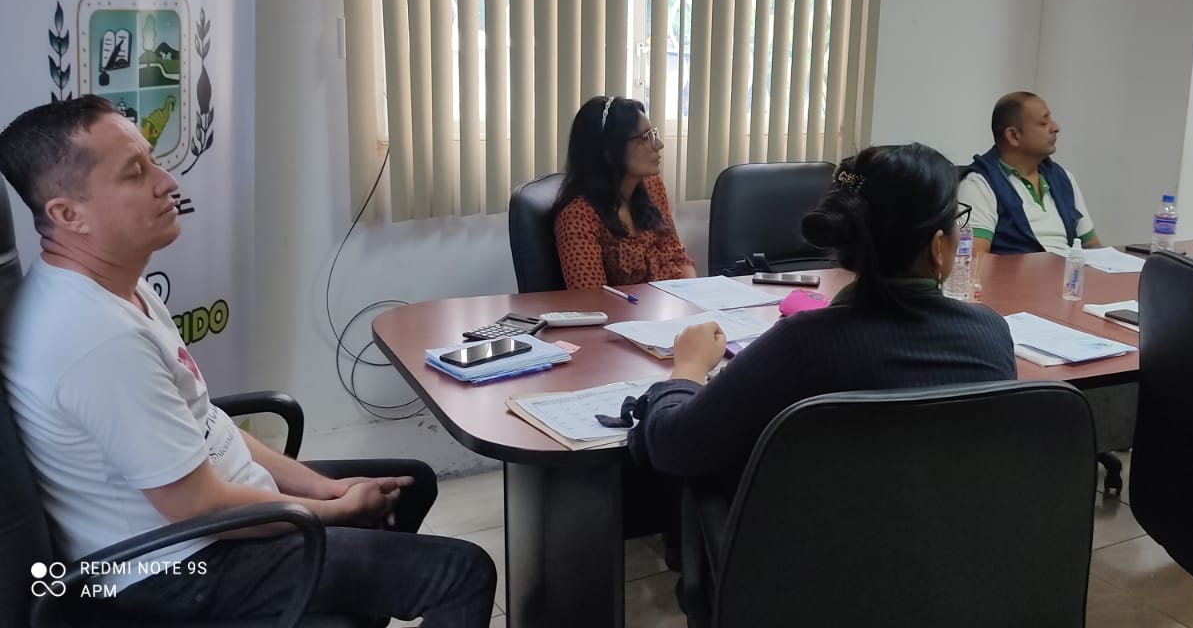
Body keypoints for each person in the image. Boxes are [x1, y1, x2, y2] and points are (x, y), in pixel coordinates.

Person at [0, 97, 495, 625]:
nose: (167, 182)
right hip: (175, 570)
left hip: (204, 525)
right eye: (135, 172)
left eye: (153, 160)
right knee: (461, 571)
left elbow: (206, 421)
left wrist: (319, 488)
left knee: (408, 485)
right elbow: (196, 507)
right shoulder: (96, 340)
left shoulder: (117, 285)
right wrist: (331, 511)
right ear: (68, 214)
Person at [627, 143, 1017, 495]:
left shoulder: (805, 343)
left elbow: (673, 446)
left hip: (817, 549)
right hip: (954, 546)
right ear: (938, 247)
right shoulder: (990, 334)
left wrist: (690, 367)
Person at [959, 92, 1102, 291]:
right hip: (1016, 291)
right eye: (1043, 123)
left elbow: (1092, 246)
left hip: (1067, 288)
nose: (1055, 127)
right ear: (1013, 136)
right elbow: (975, 261)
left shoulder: (1063, 178)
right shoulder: (979, 183)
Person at [554, 96, 696, 289]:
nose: (658, 144)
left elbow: (678, 256)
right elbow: (589, 297)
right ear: (608, 150)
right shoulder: (578, 216)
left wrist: (693, 294)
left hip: (673, 302)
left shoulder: (652, 186)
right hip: (631, 309)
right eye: (645, 138)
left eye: (653, 134)